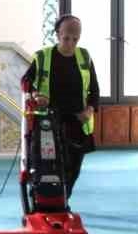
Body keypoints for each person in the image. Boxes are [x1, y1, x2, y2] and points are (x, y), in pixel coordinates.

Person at [20, 14, 100, 199]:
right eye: (66, 38)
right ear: (57, 34)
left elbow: (94, 89)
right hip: (49, 120)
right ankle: (46, 199)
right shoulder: (43, 56)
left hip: (77, 121)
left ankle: (64, 198)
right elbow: (26, 81)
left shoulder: (84, 56)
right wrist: (35, 94)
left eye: (75, 39)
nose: (71, 43)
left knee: (74, 167)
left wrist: (89, 110)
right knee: (50, 165)